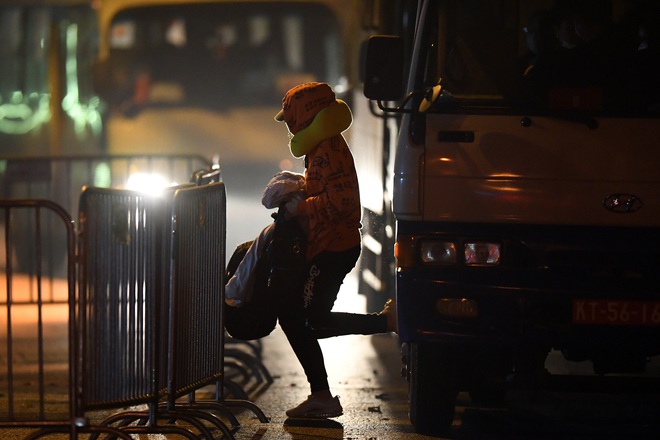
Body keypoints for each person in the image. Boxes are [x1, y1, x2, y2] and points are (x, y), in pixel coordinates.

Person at [273, 82, 396, 419]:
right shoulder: (321, 146)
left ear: (307, 115)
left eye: (291, 118)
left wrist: (302, 209)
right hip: (328, 246)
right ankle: (321, 394)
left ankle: (385, 322)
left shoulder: (327, 149)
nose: (289, 125)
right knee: (299, 318)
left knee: (307, 320)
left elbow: (340, 202)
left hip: (334, 248)